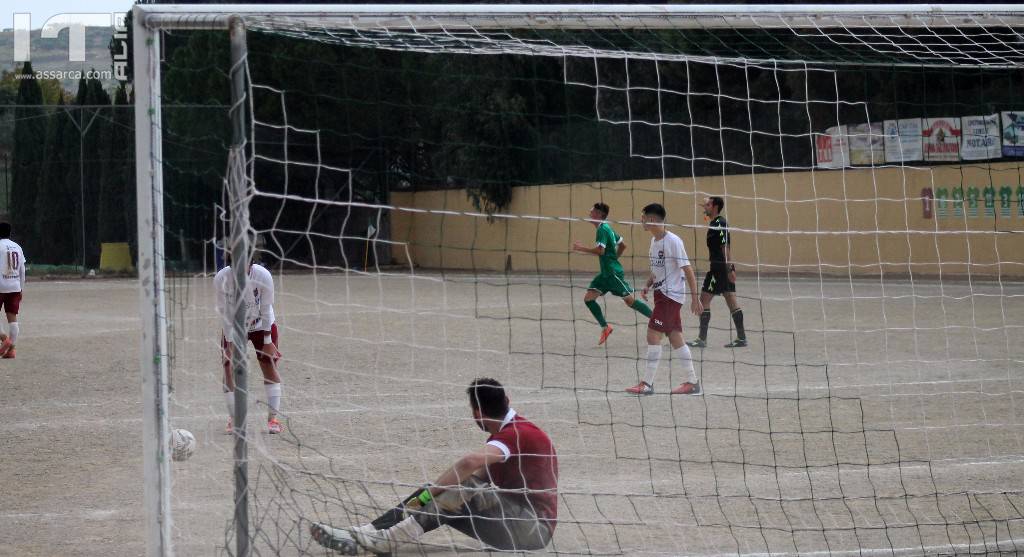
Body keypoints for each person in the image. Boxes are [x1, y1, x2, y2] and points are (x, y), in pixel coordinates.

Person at [310, 378, 558, 555]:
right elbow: (473, 477)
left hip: (533, 530)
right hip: (512, 525)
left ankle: (385, 541)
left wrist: (434, 492)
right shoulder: (508, 436)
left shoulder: (516, 434)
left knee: (457, 488)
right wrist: (429, 493)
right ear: (507, 400)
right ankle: (367, 531)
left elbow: (468, 464)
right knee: (445, 490)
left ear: (477, 413)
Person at [626, 203, 703, 396]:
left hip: (671, 296)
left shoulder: (673, 241)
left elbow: (688, 270)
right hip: (661, 295)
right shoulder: (654, 241)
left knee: (653, 334)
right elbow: (658, 270)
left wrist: (695, 298)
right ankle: (693, 383)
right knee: (675, 337)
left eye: (643, 217)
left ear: (651, 220)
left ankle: (647, 384)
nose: (641, 221)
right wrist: (648, 284)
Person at [214, 257, 283, 434]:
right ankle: (234, 418)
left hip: (262, 326)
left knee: (268, 366)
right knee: (229, 367)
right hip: (235, 327)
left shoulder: (263, 275)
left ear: (250, 264)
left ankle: (273, 419)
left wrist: (267, 342)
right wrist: (229, 343)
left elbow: (266, 308)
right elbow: (224, 313)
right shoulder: (221, 278)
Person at [572, 202, 652, 345]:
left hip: (612, 274)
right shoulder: (607, 227)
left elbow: (600, 251)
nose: (589, 212)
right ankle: (605, 327)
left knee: (630, 301)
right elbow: (623, 245)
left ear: (599, 214)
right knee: (589, 299)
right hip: (605, 274)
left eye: (592, 211)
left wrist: (581, 248)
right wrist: (613, 259)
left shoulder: (602, 230)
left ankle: (657, 322)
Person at [687, 197, 747, 348]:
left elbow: (725, 246)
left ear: (715, 207)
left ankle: (702, 339)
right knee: (731, 301)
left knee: (703, 299)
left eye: (707, 204)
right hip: (720, 268)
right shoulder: (714, 223)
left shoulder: (720, 223)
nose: (704, 207)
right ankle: (741, 338)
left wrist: (729, 269)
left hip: (719, 269)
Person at [0, 222, 25, 359]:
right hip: (15, 285)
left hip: (0, 285)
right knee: (12, 318)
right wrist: (21, 287)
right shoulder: (17, 247)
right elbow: (22, 269)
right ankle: (12, 350)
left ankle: (5, 340)